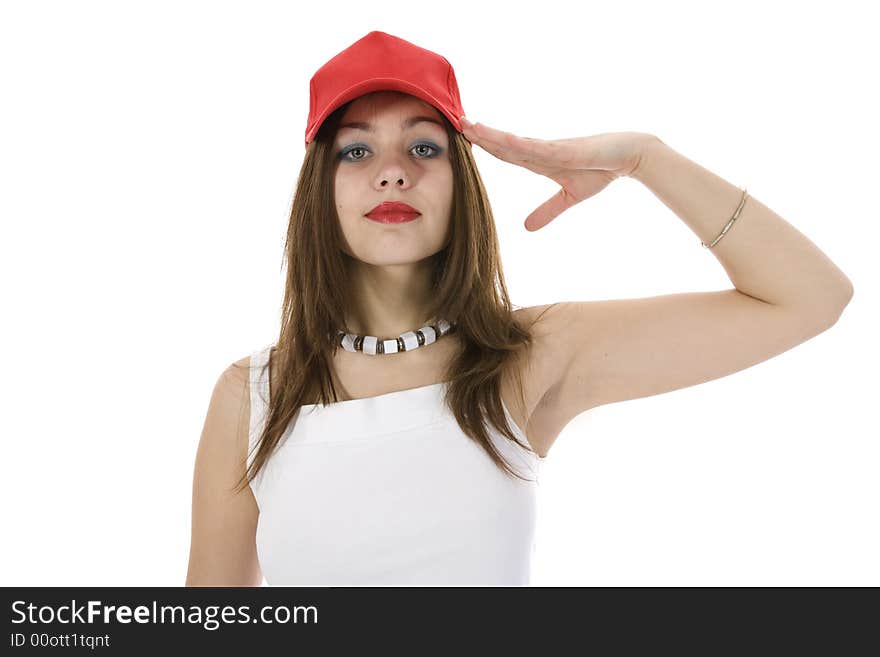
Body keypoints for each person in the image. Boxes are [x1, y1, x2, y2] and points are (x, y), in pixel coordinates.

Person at [185, 31, 853, 586]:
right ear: (319, 191)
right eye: (356, 149)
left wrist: (645, 159)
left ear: (462, 183)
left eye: (424, 146)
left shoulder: (529, 352)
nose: (393, 171)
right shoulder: (252, 396)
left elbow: (809, 297)